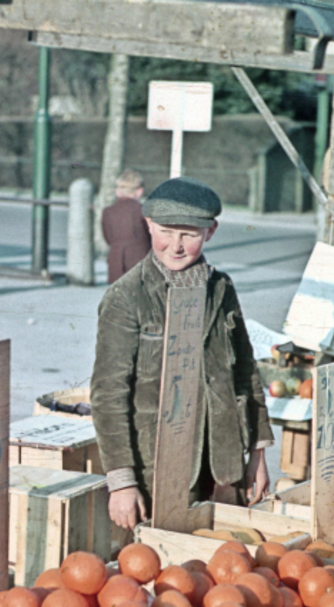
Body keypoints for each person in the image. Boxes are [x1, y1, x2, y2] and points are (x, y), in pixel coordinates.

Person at [91, 176, 272, 530]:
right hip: (157, 470)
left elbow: (246, 372)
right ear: (148, 225)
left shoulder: (221, 288)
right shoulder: (126, 297)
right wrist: (122, 481)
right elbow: (108, 393)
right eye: (165, 232)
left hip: (223, 467)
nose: (175, 246)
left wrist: (258, 453)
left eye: (189, 234)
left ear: (210, 232)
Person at [102, 169, 150, 284]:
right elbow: (151, 237)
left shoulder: (108, 212)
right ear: (139, 191)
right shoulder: (143, 210)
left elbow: (108, 238)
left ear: (118, 192)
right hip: (141, 262)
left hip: (116, 262)